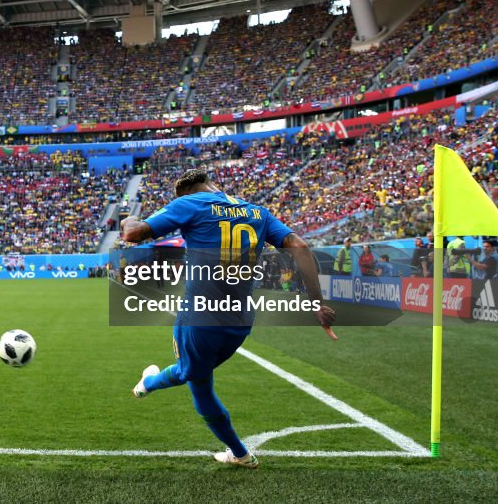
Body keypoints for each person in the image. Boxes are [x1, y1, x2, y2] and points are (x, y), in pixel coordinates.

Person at [120, 168, 336, 470]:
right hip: (240, 322)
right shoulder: (257, 212)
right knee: (195, 374)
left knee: (195, 380)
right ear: (214, 185)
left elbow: (132, 234)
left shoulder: (189, 204)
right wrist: (317, 303)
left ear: (186, 194)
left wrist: (127, 217)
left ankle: (236, 450)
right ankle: (151, 385)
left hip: (200, 318)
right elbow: (299, 247)